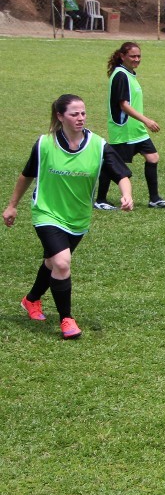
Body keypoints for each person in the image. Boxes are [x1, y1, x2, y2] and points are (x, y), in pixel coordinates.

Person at [3, 94, 133, 340]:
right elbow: (26, 175)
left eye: (83, 113)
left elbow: (121, 174)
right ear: (60, 116)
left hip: (78, 217)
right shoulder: (44, 144)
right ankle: (67, 319)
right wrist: (12, 206)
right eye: (74, 114)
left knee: (53, 263)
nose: (80, 118)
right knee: (62, 262)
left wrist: (127, 195)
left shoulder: (98, 145)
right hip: (46, 212)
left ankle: (31, 300)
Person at [95, 42, 165, 211]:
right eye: (132, 56)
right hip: (124, 128)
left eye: (138, 56)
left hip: (136, 130)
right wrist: (146, 120)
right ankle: (100, 199)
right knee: (112, 164)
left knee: (153, 157)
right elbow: (123, 105)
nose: (136, 59)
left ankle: (154, 199)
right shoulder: (120, 75)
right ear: (122, 56)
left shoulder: (129, 74)